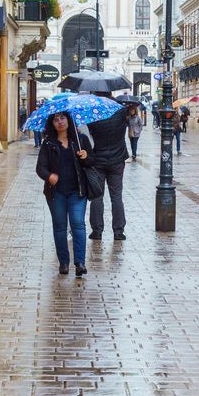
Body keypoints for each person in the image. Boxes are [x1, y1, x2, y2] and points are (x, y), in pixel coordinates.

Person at [35, 111, 94, 278]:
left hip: (77, 191)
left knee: (78, 224)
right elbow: (40, 168)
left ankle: (80, 263)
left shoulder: (80, 139)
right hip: (56, 193)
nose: (60, 122)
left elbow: (91, 161)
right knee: (60, 227)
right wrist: (49, 176)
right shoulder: (48, 143)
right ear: (52, 123)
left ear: (69, 120)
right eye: (56, 119)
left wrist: (86, 156)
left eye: (63, 118)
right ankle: (64, 262)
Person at [86, 104, 131, 242]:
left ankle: (97, 230)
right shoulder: (121, 110)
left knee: (97, 196)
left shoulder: (93, 111)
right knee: (116, 196)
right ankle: (118, 231)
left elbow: (89, 134)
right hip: (117, 159)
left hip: (98, 159)